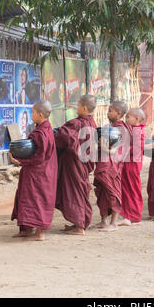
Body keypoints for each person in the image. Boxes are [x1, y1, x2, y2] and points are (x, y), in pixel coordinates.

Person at [10, 100, 58, 241]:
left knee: (37, 200)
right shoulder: (45, 129)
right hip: (39, 172)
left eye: (33, 112)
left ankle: (40, 233)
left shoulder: (41, 133)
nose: (31, 114)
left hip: (38, 173)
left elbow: (39, 157)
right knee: (26, 198)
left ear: (40, 114)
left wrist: (21, 161)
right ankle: (26, 229)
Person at [55, 94, 98, 235]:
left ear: (84, 108)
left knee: (75, 192)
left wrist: (54, 132)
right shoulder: (92, 123)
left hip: (75, 163)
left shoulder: (78, 123)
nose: (76, 108)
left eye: (78, 105)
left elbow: (64, 137)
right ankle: (79, 223)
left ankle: (79, 226)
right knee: (80, 189)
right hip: (84, 163)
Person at [93, 101, 130, 232]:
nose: (108, 113)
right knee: (102, 192)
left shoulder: (120, 129)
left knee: (113, 192)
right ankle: (104, 220)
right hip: (104, 163)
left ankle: (114, 223)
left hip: (112, 166)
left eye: (110, 111)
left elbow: (113, 151)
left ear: (118, 113)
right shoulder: (113, 127)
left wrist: (101, 144)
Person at [117, 107, 146, 226]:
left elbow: (137, 148)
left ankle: (129, 216)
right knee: (131, 189)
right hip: (131, 163)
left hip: (132, 164)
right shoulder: (135, 129)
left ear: (137, 118)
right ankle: (134, 216)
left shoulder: (137, 131)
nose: (126, 119)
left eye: (128, 117)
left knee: (130, 189)